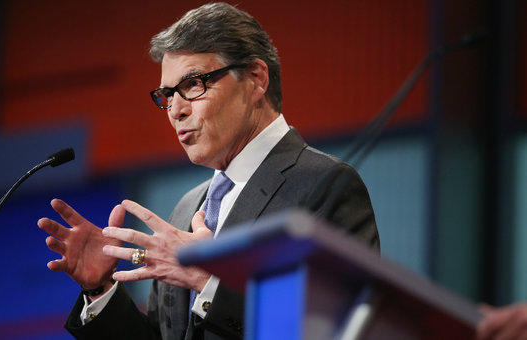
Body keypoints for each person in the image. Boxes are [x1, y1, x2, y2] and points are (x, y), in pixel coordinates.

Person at [38, 3, 379, 339]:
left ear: (256, 80)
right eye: (167, 95)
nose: (176, 110)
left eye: (193, 85)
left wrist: (209, 281)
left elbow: (338, 328)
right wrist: (101, 289)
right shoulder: (188, 207)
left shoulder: (324, 184)